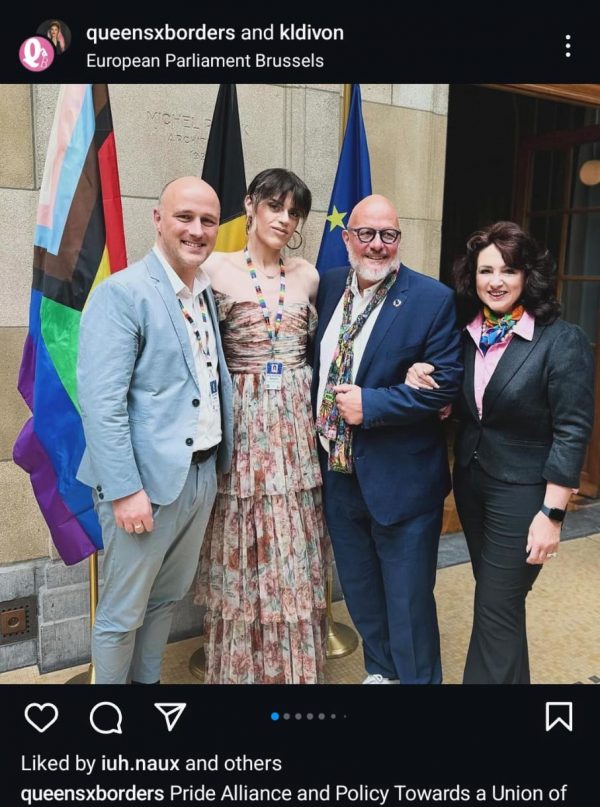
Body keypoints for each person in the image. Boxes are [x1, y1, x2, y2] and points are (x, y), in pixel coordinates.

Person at [406, 221, 595, 683]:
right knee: (501, 604)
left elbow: (572, 431)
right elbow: (468, 404)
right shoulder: (467, 334)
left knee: (496, 606)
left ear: (528, 275)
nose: (496, 281)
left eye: (508, 270)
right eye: (485, 270)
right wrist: (422, 377)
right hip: (473, 486)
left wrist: (552, 515)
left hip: (524, 494)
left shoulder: (560, 340)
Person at [77, 177, 233, 684]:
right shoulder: (123, 294)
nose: (197, 230)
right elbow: (102, 405)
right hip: (142, 487)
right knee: (122, 614)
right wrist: (125, 491)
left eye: (208, 220)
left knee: (165, 600)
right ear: (158, 220)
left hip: (199, 477)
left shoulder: (204, 293)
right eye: (185, 217)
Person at [312, 194, 463, 685]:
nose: (377, 245)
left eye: (389, 234)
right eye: (367, 234)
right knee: (361, 592)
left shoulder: (431, 299)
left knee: (408, 602)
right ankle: (381, 672)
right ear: (347, 238)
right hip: (338, 474)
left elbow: (444, 385)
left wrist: (372, 405)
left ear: (399, 238)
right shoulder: (329, 285)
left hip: (402, 481)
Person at [196, 168, 329, 683]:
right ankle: (242, 673)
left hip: (294, 428)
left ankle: (292, 673)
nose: (284, 219)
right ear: (250, 205)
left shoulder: (308, 275)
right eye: (275, 206)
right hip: (243, 425)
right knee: (243, 532)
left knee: (292, 540)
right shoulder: (215, 268)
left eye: (294, 212)